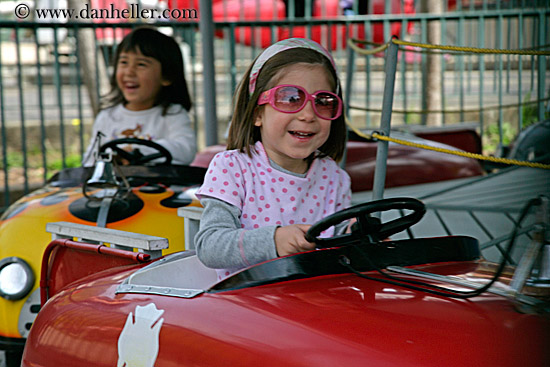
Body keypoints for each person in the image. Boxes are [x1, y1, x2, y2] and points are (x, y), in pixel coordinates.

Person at [194, 38, 351, 280]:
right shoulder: (233, 168)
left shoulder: (334, 177)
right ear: (258, 113)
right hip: (248, 305)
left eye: (323, 102)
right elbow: (210, 245)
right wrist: (274, 240)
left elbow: (341, 234)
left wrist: (357, 232)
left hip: (315, 301)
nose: (308, 115)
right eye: (290, 99)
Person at [82, 26, 196, 167]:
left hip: (160, 188)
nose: (129, 72)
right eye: (123, 62)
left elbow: (186, 150)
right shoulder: (107, 116)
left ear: (167, 76)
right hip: (116, 187)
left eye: (141, 64)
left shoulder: (173, 114)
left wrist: (138, 150)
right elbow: (89, 161)